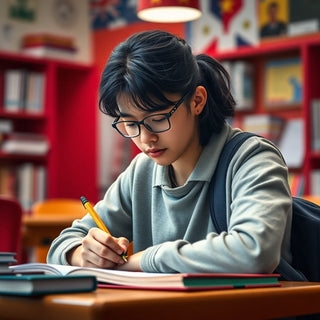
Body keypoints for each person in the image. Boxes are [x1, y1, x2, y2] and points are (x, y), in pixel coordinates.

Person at [47, 30, 292, 275]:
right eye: (131, 124)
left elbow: (254, 251)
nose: (145, 139)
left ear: (196, 101)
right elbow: (61, 245)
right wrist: (83, 254)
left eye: (157, 119)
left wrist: (143, 261)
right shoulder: (142, 170)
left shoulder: (251, 158)